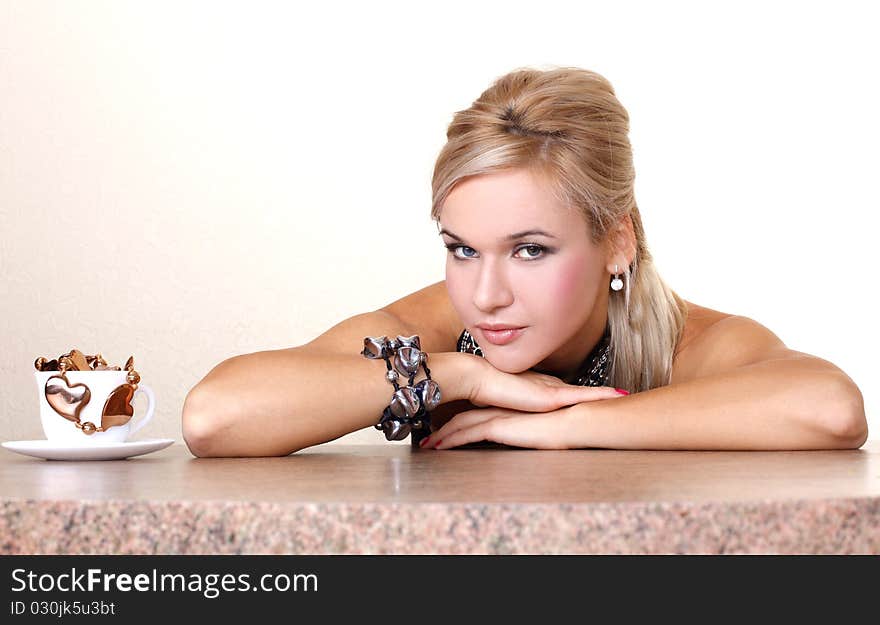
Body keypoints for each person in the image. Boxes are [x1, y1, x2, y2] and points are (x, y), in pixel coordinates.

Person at [181, 66, 868, 457]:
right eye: (461, 249)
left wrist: (567, 423)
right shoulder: (439, 331)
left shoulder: (690, 344)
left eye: (530, 250)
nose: (485, 295)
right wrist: (459, 375)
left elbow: (830, 410)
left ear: (618, 241)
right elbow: (217, 416)